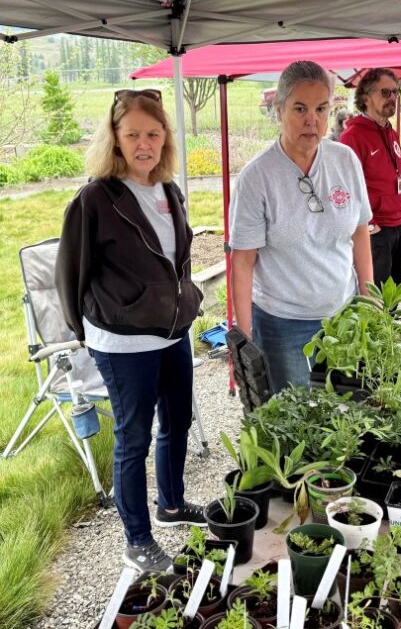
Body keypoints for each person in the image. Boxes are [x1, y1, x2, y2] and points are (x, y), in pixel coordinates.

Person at [55, 89, 205, 573]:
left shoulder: (169, 190)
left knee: (177, 421)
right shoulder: (95, 198)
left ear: (165, 140)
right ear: (115, 139)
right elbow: (70, 274)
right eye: (133, 134)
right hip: (122, 342)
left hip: (171, 332)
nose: (145, 144)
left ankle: (172, 504)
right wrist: (90, 331)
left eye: (154, 134)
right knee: (133, 437)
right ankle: (137, 542)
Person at [230, 61, 373, 392]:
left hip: (344, 315)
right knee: (297, 420)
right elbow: (243, 260)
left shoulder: (345, 161)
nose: (313, 119)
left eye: (321, 108)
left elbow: (360, 232)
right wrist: (244, 337)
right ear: (279, 111)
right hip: (284, 324)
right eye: (300, 108)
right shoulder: (257, 178)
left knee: (348, 414)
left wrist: (369, 301)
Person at [340, 68, 401, 286]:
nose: (393, 98)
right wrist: (369, 224)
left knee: (393, 296)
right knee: (373, 300)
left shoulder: (389, 131)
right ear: (366, 98)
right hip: (375, 230)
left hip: (396, 224)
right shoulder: (353, 136)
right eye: (386, 93)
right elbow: (345, 187)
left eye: (396, 92)